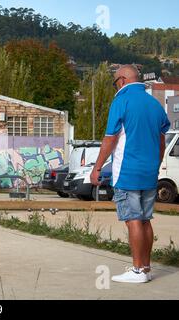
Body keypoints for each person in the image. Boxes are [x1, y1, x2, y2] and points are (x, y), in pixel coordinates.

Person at [91, 65, 170, 283]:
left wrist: (97, 167)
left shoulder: (121, 101)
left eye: (115, 82)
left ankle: (137, 271)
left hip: (127, 172)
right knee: (145, 220)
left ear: (123, 80)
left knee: (133, 220)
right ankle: (145, 267)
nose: (116, 87)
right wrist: (155, 164)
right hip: (149, 172)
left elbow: (110, 139)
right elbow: (161, 140)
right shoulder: (155, 104)